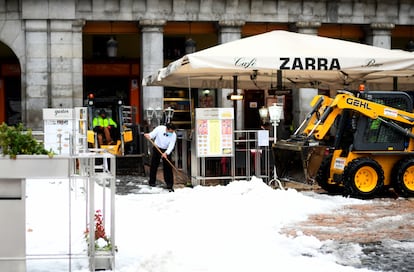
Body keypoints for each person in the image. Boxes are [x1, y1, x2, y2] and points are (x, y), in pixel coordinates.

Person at [144, 123, 177, 192]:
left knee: (167, 167)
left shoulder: (173, 135)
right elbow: (152, 134)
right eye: (170, 131)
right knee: (154, 165)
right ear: (167, 129)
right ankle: (152, 182)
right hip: (157, 147)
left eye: (172, 131)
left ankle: (169, 184)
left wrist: (166, 153)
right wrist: (149, 135)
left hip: (166, 149)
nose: (171, 133)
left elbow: (171, 145)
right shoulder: (160, 128)